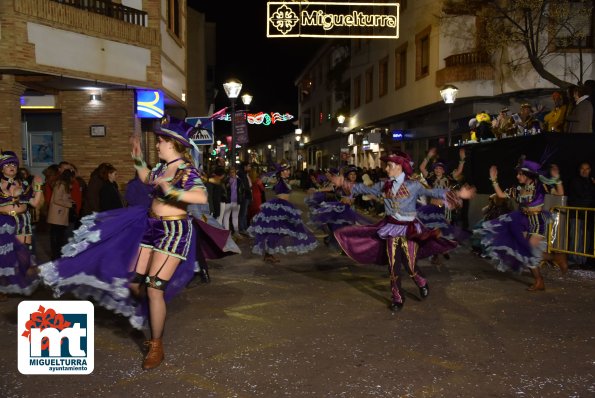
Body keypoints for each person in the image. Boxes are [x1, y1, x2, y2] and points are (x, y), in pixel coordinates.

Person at [38, 116, 209, 370]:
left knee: (154, 287)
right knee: (131, 280)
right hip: (152, 226)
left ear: (172, 144)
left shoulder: (185, 169)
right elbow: (145, 178)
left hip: (174, 230)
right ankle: (148, 307)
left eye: (160, 141)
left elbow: (200, 195)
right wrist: (137, 155)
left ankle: (156, 344)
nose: (158, 145)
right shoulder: (163, 168)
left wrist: (172, 191)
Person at [329, 151, 475, 311]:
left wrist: (458, 194)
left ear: (399, 167)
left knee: (410, 265)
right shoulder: (384, 185)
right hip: (391, 229)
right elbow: (364, 188)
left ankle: (421, 282)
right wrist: (343, 183)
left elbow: (433, 192)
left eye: (389, 166)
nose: (386, 169)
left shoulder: (414, 185)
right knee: (393, 265)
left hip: (410, 231)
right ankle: (397, 297)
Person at [474, 157, 566, 291]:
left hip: (536, 222)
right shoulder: (517, 189)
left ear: (527, 174)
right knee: (524, 252)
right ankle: (551, 264)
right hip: (521, 220)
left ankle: (546, 270)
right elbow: (500, 194)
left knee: (528, 252)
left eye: (520, 174)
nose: (517, 176)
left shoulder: (540, 186)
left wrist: (557, 179)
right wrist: (494, 180)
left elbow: (560, 193)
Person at [247, 161, 318, 263]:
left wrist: (311, 188)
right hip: (279, 207)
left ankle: (269, 253)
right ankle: (268, 253)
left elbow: (298, 183)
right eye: (286, 170)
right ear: (281, 172)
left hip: (285, 207)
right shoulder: (278, 180)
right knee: (278, 231)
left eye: (289, 170)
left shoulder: (286, 181)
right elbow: (265, 180)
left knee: (283, 231)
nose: (288, 172)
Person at [0, 151, 43, 299]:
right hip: (3, 225)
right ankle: (3, 289)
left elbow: (35, 203)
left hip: (22, 224)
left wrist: (38, 187)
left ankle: (17, 283)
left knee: (23, 256)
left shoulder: (23, 183)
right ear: (2, 168)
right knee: (4, 257)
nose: (11, 167)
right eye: (7, 165)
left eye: (14, 164)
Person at [418, 148, 466, 265]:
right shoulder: (431, 178)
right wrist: (428, 157)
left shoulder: (448, 178)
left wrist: (462, 159)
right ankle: (437, 252)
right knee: (433, 231)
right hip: (433, 208)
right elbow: (422, 168)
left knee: (444, 229)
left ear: (443, 170)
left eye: (440, 168)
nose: (438, 170)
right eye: (436, 168)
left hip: (445, 208)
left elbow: (459, 172)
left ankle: (440, 250)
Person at [566, 161, 595, 265]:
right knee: (576, 238)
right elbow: (582, 195)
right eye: (582, 168)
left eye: (587, 169)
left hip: (588, 216)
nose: (585, 171)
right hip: (577, 214)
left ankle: (583, 261)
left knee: (586, 239)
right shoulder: (575, 181)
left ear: (590, 170)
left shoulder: (590, 182)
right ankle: (573, 261)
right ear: (579, 170)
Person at [47, 169, 75, 260]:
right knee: (57, 237)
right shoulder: (61, 185)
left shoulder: (63, 185)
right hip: (57, 215)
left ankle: (57, 255)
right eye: (72, 177)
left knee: (59, 236)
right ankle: (56, 256)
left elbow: (62, 197)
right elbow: (56, 199)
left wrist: (70, 201)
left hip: (60, 214)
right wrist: (69, 204)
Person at [237, 161, 252, 235]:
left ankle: (245, 227)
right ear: (244, 167)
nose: (250, 168)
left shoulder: (245, 174)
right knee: (242, 213)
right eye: (248, 166)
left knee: (245, 213)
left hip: (246, 195)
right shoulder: (241, 174)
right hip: (244, 195)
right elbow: (244, 186)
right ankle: (242, 228)